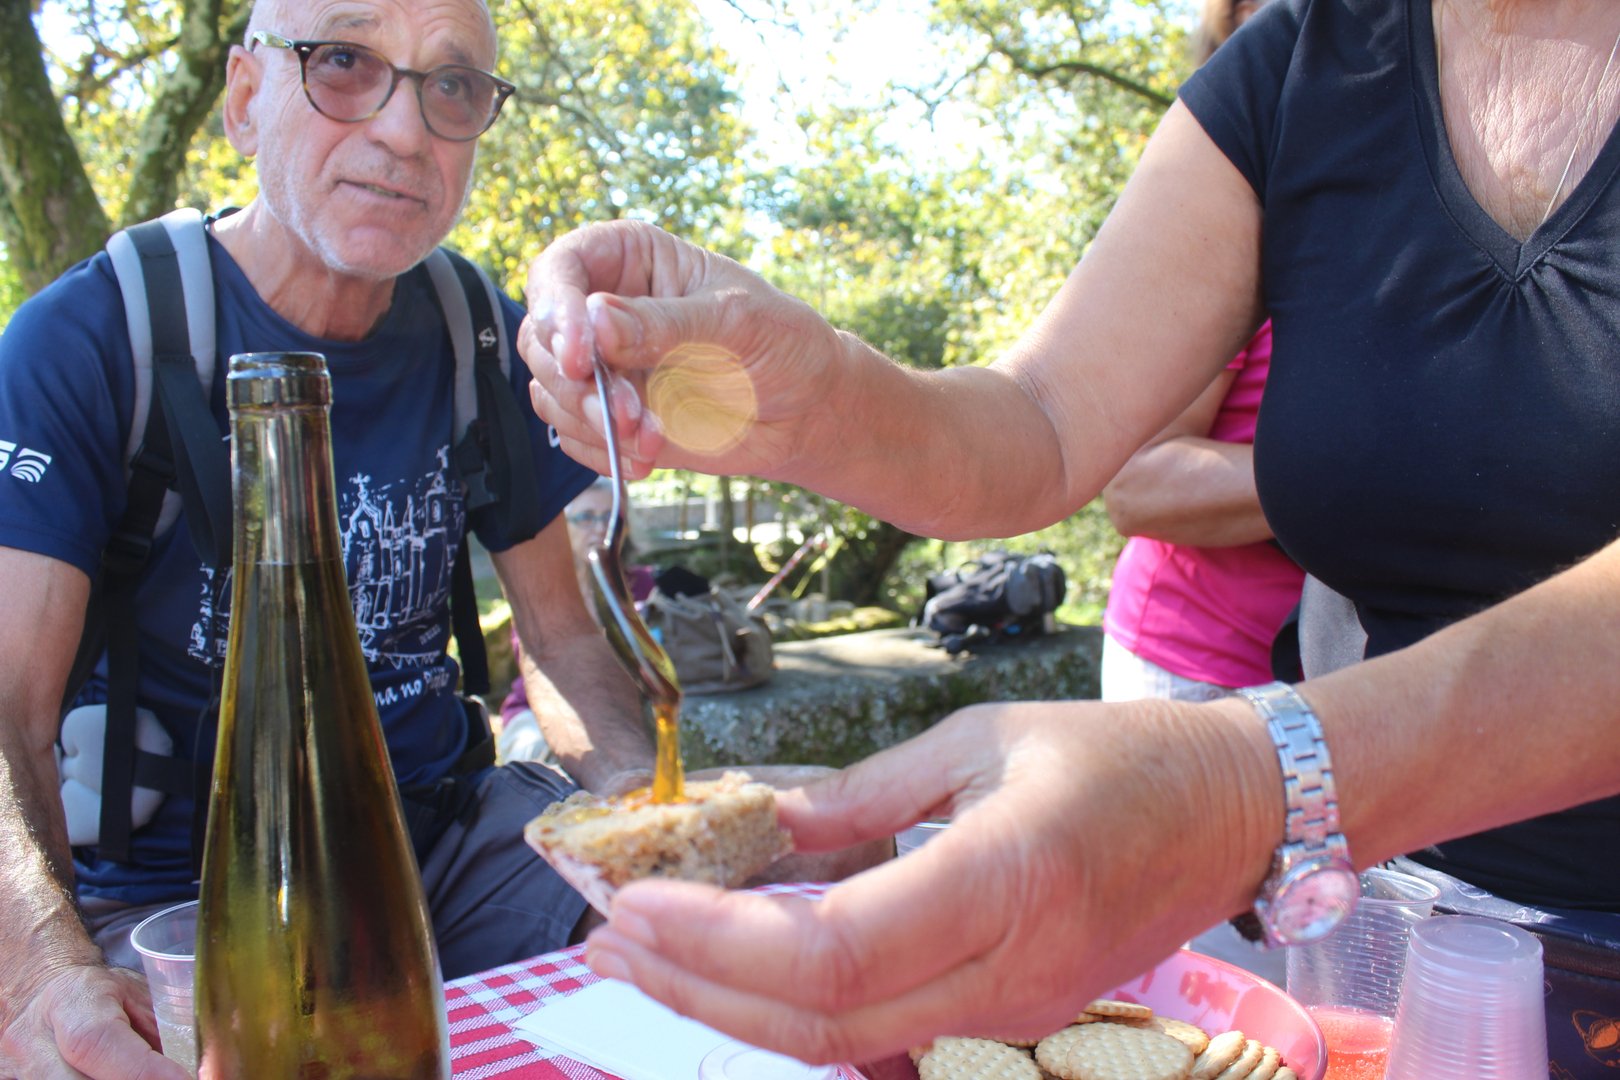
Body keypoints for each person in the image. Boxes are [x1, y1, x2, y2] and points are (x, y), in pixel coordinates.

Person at [518, 0, 1620, 1070]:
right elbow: (1045, 420)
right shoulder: (1303, 64)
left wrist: (1243, 790)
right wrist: (823, 398)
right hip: (1365, 920)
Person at [1100, 0, 1300, 705]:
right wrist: (1369, 480)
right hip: (1196, 668)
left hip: (1351, 673)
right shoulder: (1224, 215)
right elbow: (1138, 483)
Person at [498, 476, 655, 763]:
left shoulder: (644, 585)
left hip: (625, 708)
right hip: (542, 711)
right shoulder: (543, 588)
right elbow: (542, 664)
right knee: (548, 755)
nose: (601, 528)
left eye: (611, 517)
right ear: (562, 528)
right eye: (586, 518)